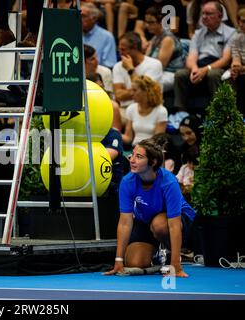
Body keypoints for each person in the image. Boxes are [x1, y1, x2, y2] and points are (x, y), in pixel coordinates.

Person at [104, 138, 196, 278]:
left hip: (175, 221)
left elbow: (174, 225)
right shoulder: (127, 182)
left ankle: (174, 255)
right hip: (145, 220)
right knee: (135, 262)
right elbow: (125, 223)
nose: (132, 159)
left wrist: (176, 265)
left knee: (159, 224)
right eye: (133, 154)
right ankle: (158, 254)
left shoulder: (169, 182)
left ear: (152, 162)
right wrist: (119, 260)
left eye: (139, 157)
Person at [173, 1, 235, 111]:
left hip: (219, 66)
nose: (205, 17)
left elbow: (225, 59)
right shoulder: (198, 33)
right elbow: (191, 56)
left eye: (209, 14)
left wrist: (205, 70)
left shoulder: (231, 33)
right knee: (180, 74)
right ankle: (180, 112)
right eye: (203, 14)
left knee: (213, 74)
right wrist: (194, 69)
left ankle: (218, 113)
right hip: (200, 64)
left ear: (220, 16)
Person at [112, 31, 163, 118]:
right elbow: (118, 95)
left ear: (134, 48)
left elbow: (146, 92)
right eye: (119, 49)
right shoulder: (117, 66)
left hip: (149, 108)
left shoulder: (154, 64)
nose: (120, 53)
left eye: (123, 49)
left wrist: (130, 70)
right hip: (125, 109)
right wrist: (137, 91)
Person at [144, 5, 186, 92]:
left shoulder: (168, 39)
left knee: (145, 85)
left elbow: (159, 66)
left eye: (151, 22)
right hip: (158, 73)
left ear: (161, 22)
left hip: (170, 74)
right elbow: (146, 59)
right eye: (146, 22)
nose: (147, 25)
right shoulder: (155, 37)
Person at [122, 75, 168, 147]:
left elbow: (158, 142)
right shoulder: (131, 108)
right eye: (131, 90)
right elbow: (128, 138)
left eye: (135, 90)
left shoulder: (161, 111)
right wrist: (113, 133)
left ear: (146, 91)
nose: (131, 93)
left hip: (151, 151)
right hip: (134, 149)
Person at [81, 2, 117, 69]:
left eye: (83, 16)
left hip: (97, 73)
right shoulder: (73, 34)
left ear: (94, 18)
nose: (79, 19)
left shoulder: (107, 37)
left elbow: (109, 65)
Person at [230, 8, 245, 115]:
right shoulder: (237, 38)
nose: (241, 24)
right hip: (243, 71)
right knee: (235, 77)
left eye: (244, 21)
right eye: (240, 20)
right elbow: (236, 57)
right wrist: (235, 68)